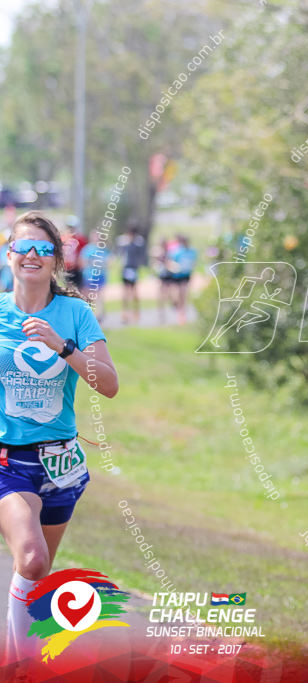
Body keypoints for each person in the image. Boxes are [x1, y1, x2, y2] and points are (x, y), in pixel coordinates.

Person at [0, 211, 118, 662]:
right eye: (23, 247)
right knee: (31, 558)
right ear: (10, 254)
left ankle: (21, 652)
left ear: (55, 261)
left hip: (61, 465)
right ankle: (19, 667)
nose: (32, 255)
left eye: (43, 249)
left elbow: (108, 384)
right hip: (9, 461)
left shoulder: (75, 314)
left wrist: (61, 346)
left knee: (36, 574)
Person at [116, 226, 146, 324]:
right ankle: (125, 313)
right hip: (126, 269)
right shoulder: (124, 243)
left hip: (133, 269)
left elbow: (140, 255)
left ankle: (136, 313)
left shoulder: (138, 243)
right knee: (125, 292)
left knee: (134, 292)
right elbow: (119, 253)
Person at [79, 230, 109, 322]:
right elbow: (82, 262)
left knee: (99, 296)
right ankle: (90, 315)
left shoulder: (103, 249)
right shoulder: (87, 249)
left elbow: (108, 261)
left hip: (100, 276)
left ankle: (99, 315)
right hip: (89, 276)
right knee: (88, 297)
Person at [165, 235, 196, 325]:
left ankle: (182, 313)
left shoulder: (192, 252)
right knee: (177, 295)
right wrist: (174, 267)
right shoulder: (177, 252)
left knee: (184, 293)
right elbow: (169, 262)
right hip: (177, 276)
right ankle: (177, 306)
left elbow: (193, 262)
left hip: (186, 275)